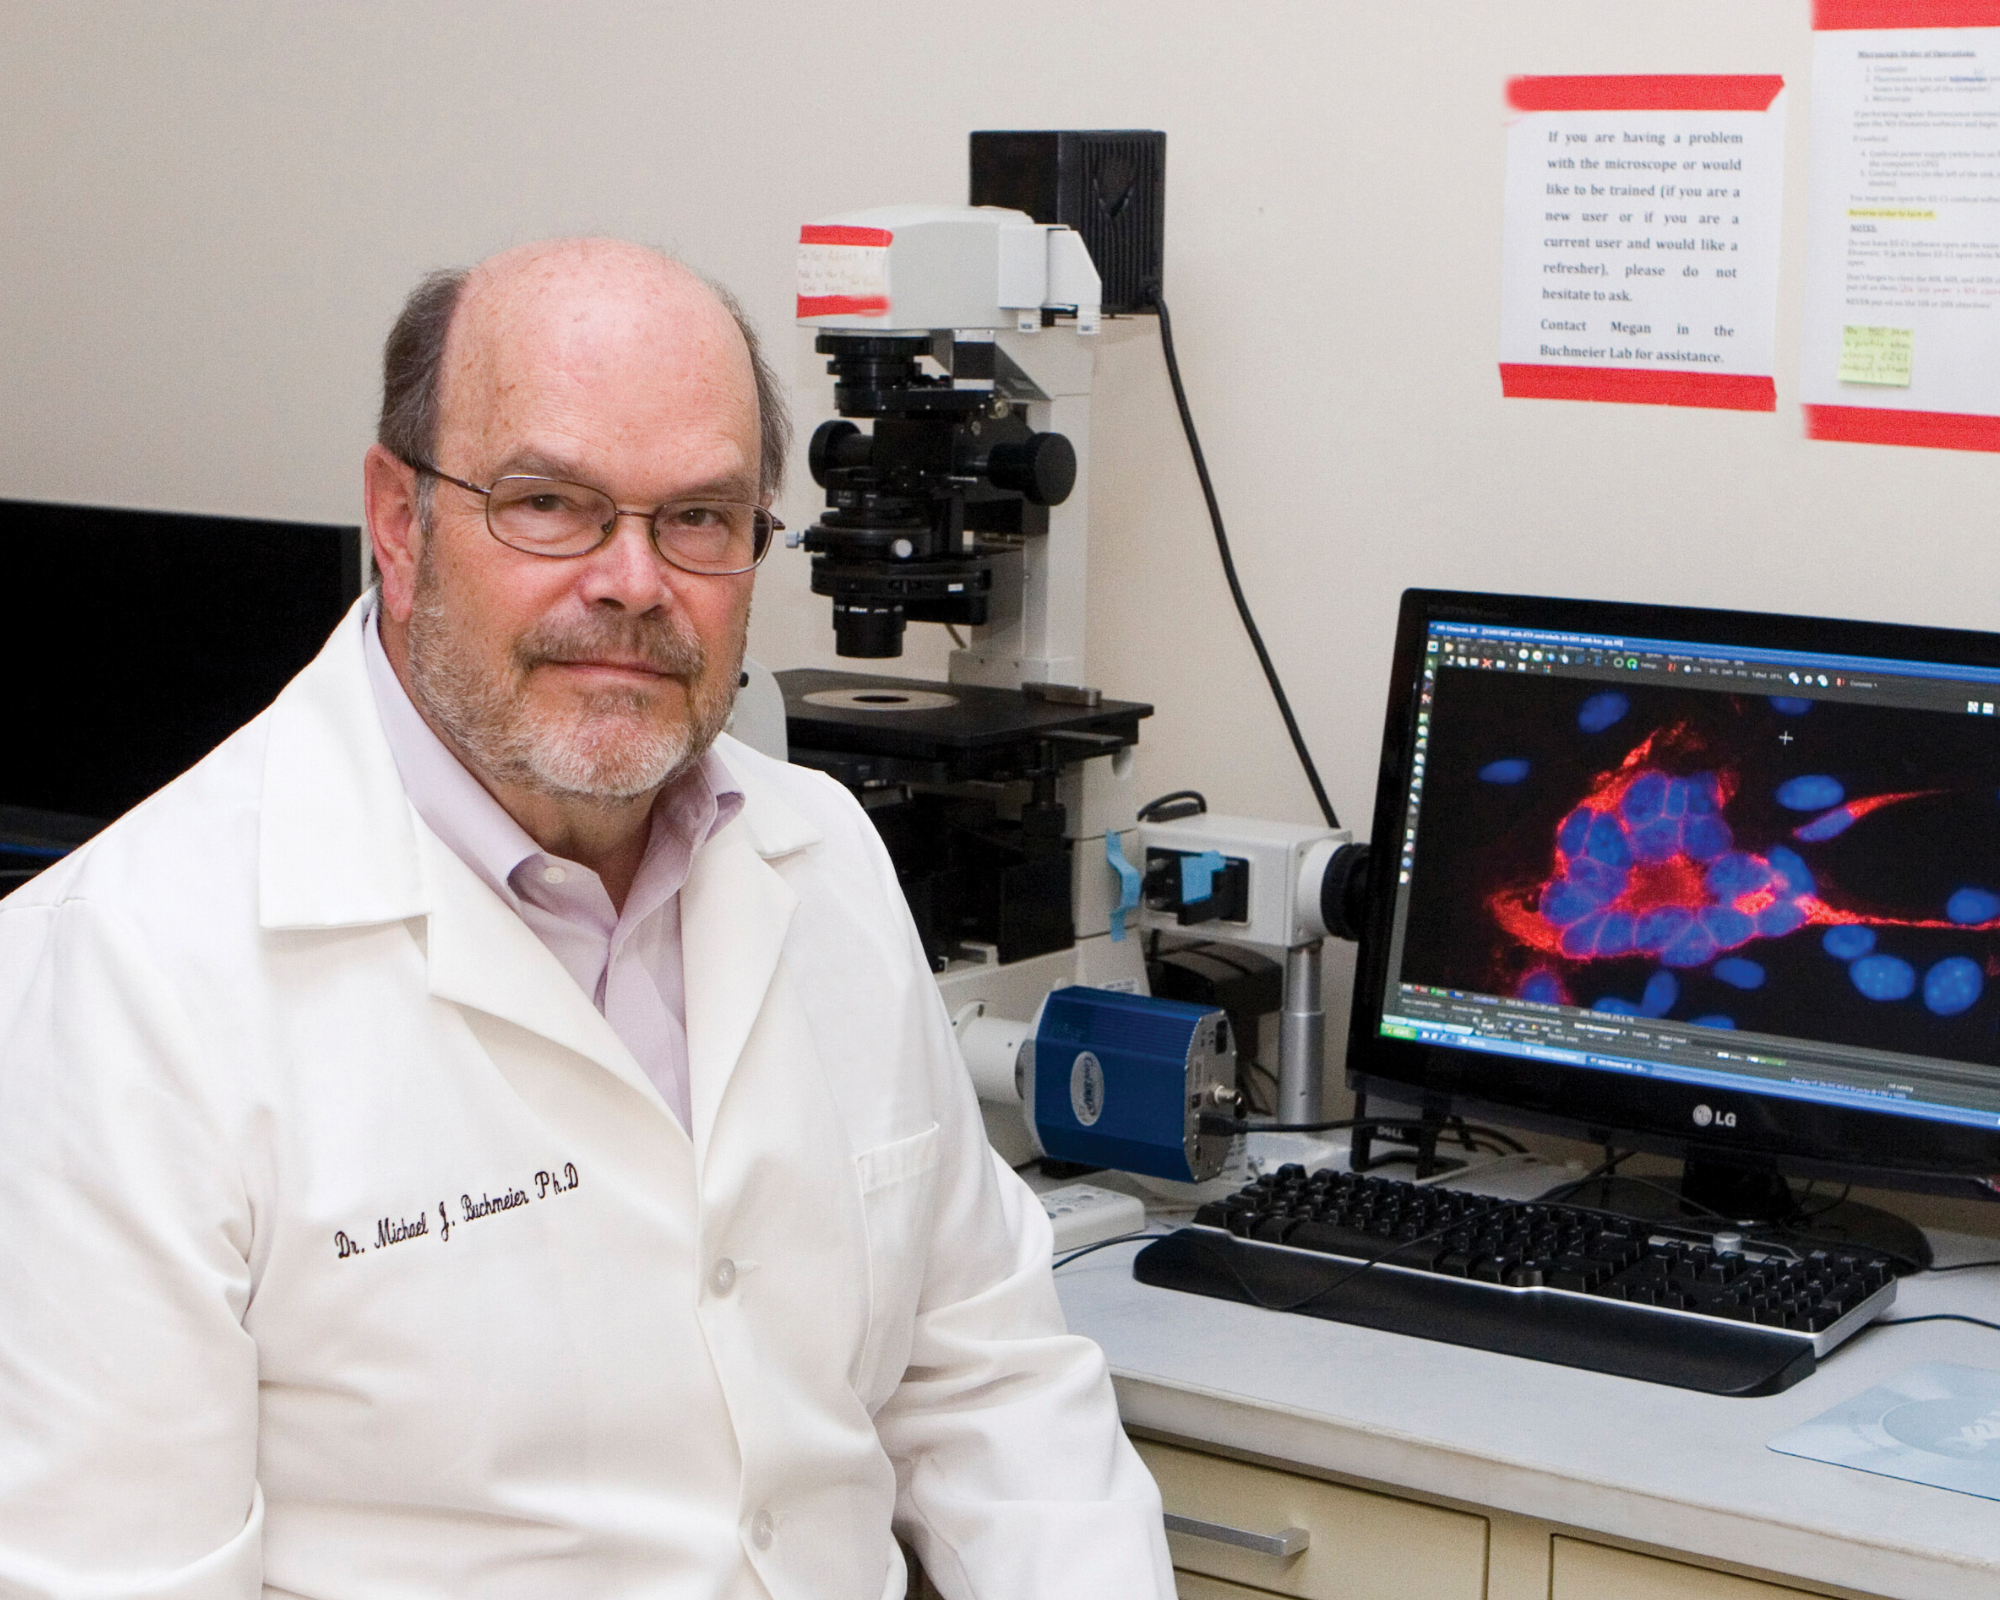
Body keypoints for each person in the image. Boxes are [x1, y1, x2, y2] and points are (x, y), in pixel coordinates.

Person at [0, 239, 1174, 1599]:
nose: (631, 581)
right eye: (548, 504)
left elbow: (986, 1376)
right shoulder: (117, 979)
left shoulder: (821, 858)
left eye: (699, 518)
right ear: (397, 516)